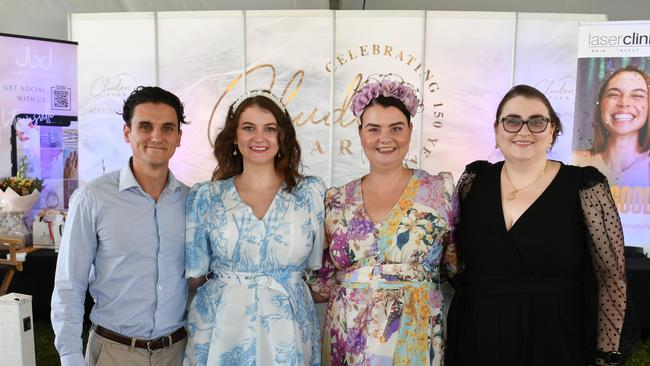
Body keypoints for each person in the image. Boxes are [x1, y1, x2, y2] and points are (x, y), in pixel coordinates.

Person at [446, 85, 627, 366]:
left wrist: (606, 354)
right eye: (512, 120)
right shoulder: (472, 180)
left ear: (552, 130)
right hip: (476, 336)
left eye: (537, 121)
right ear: (497, 130)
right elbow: (453, 263)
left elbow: (611, 277)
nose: (524, 130)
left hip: (555, 339)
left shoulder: (585, 186)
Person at [308, 75, 458, 365]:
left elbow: (455, 266)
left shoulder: (440, 191)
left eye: (396, 128)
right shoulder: (336, 200)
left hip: (414, 336)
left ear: (410, 130)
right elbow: (320, 281)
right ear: (361, 132)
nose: (385, 139)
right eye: (374, 129)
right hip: (348, 335)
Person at [183, 90, 325, 365]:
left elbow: (316, 266)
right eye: (249, 128)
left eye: (269, 129)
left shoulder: (309, 194)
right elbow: (196, 273)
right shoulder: (207, 197)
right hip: (222, 326)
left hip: (289, 326)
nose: (259, 138)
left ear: (282, 137)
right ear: (234, 137)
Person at [51, 86, 190, 366]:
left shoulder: (191, 201)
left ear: (178, 137)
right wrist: (69, 355)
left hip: (178, 352)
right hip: (114, 353)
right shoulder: (93, 198)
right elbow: (69, 285)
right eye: (145, 126)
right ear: (127, 132)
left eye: (167, 128)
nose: (156, 137)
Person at [573, 65, 650, 186]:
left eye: (637, 96)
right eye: (614, 94)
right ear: (601, 104)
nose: (624, 103)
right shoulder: (574, 162)